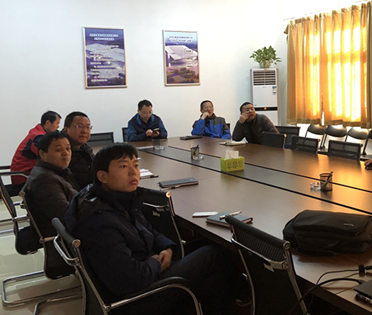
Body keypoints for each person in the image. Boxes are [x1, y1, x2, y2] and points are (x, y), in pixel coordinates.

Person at [64, 143, 240, 315]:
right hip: (137, 298)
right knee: (212, 255)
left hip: (142, 269)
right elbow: (130, 279)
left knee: (206, 260)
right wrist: (156, 263)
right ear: (103, 176)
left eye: (135, 165)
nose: (133, 172)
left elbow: (146, 228)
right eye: (123, 166)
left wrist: (167, 248)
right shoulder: (100, 221)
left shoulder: (112, 198)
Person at [23, 132, 79, 274]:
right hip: (68, 242)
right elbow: (66, 216)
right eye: (59, 150)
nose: (66, 153)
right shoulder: (45, 181)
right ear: (43, 154)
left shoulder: (50, 172)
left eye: (68, 148)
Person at [10, 110, 61, 188]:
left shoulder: (37, 133)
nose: (58, 127)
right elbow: (48, 157)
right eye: (57, 123)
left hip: (27, 174)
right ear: (48, 123)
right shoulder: (37, 137)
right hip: (25, 177)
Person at [63, 111, 94, 189]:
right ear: (66, 129)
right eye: (79, 126)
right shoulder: (61, 152)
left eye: (88, 127)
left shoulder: (86, 149)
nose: (84, 131)